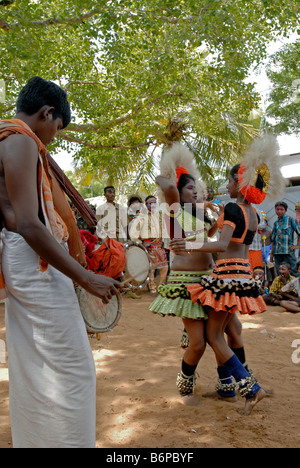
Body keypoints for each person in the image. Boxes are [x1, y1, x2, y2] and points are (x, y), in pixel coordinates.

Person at [0, 77, 120, 448]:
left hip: (21, 261)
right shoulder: (19, 140)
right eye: (57, 127)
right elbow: (29, 226)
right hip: (33, 263)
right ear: (47, 112)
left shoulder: (8, 138)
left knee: (34, 369)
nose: (54, 137)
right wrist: (86, 278)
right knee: (74, 370)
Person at [171, 134, 286, 415]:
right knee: (233, 330)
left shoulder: (233, 208)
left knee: (214, 337)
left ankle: (250, 387)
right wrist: (213, 218)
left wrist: (190, 243)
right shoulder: (253, 212)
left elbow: (222, 245)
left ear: (241, 183)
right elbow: (228, 237)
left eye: (231, 181)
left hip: (225, 277)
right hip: (243, 275)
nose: (227, 185)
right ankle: (229, 388)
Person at [149, 143, 214, 406]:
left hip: (209, 281)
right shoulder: (174, 211)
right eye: (190, 188)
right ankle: (185, 387)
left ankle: (229, 384)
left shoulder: (205, 216)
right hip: (186, 284)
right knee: (198, 344)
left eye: (197, 189)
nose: (195, 192)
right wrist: (171, 169)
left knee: (219, 337)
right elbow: (167, 185)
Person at [129, 195, 169, 296]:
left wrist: (166, 241)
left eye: (155, 202)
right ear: (146, 205)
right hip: (149, 246)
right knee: (151, 269)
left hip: (160, 245)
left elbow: (166, 230)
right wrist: (142, 243)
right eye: (150, 203)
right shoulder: (142, 217)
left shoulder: (161, 216)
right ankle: (153, 288)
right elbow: (133, 233)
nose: (153, 204)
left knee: (165, 267)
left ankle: (161, 287)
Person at [270, 201, 300, 277]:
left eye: (281, 209)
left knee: (293, 271)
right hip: (277, 253)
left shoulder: (291, 220)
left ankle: (296, 288)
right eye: (277, 209)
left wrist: (297, 245)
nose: (279, 211)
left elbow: (299, 232)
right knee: (279, 273)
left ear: (285, 210)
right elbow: (274, 240)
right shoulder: (275, 223)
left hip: (288, 252)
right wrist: (271, 254)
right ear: (275, 210)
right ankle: (282, 288)